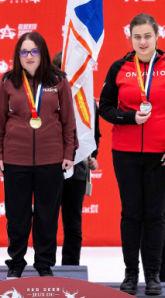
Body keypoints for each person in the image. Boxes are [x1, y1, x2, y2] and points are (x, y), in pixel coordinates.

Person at [99, 13, 165, 295]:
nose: (142, 42)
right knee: (130, 214)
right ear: (130, 38)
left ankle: (153, 275)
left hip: (160, 155)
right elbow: (104, 107)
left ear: (156, 36)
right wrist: (128, 118)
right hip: (125, 153)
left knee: (155, 214)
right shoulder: (119, 68)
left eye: (147, 36)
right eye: (137, 36)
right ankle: (130, 275)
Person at [0, 32, 78, 279]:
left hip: (51, 159)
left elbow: (69, 120)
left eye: (34, 51)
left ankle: (44, 264)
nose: (29, 57)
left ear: (43, 53)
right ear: (18, 56)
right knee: (17, 215)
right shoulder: (8, 81)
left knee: (46, 215)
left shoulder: (58, 80)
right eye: (24, 52)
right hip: (15, 159)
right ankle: (16, 262)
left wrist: (69, 151)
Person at [52, 51, 101, 266]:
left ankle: (71, 271)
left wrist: (93, 157)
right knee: (47, 223)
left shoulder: (88, 101)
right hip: (49, 170)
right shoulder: (44, 97)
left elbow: (94, 134)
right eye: (60, 71)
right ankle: (46, 268)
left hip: (78, 170)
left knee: (73, 224)